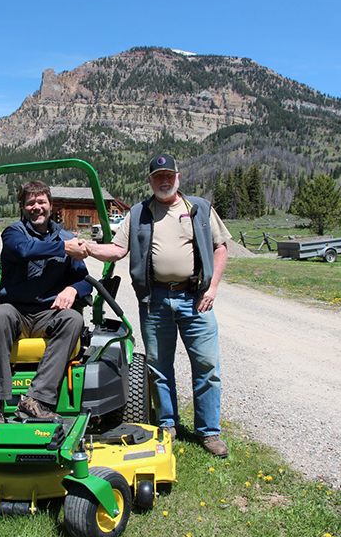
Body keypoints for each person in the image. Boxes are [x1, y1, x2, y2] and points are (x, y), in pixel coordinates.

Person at [81, 154, 231, 457]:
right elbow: (118, 248)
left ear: (178, 177)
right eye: (158, 176)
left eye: (169, 175)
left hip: (195, 298)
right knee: (159, 367)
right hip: (155, 300)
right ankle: (167, 424)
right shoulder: (138, 213)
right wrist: (89, 248)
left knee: (207, 366)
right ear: (150, 181)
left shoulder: (199, 208)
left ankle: (209, 431)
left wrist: (212, 288)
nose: (164, 181)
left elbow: (221, 247)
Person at [0, 180, 92, 423]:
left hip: (49, 314)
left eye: (41, 202)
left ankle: (36, 400)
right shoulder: (13, 234)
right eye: (30, 203)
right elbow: (25, 251)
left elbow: (85, 280)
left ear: (51, 206)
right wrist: (63, 247)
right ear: (23, 207)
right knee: (0, 314)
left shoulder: (66, 237)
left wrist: (73, 289)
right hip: (16, 311)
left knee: (73, 318)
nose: (36, 207)